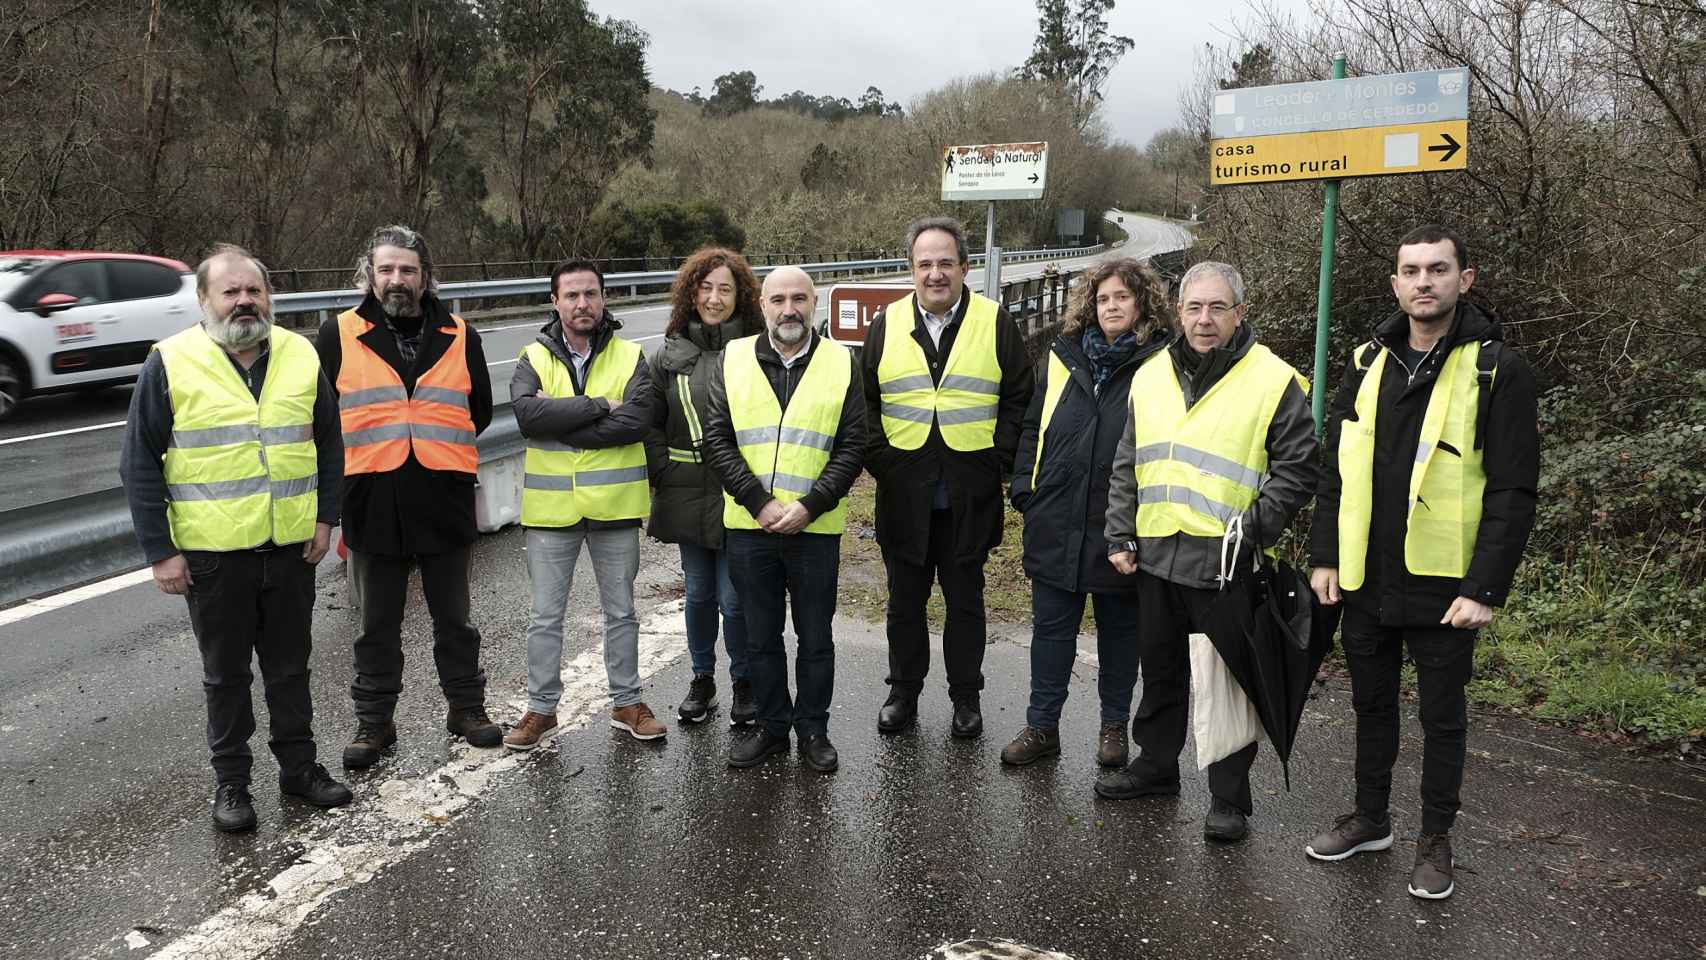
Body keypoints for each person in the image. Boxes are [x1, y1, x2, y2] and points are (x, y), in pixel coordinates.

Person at [1305, 225, 1539, 900]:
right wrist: (1325, 555)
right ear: (1396, 284)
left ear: (1464, 280)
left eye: (1438, 269)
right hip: (1366, 578)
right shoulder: (1367, 362)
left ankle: (1435, 840)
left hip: (1446, 585)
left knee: (1443, 718)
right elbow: (1336, 468)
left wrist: (1485, 586)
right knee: (1371, 705)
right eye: (1411, 270)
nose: (1423, 281)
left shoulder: (1498, 369)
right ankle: (1370, 818)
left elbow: (1512, 490)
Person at [120, 244, 352, 831]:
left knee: (291, 669)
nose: (244, 300)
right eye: (230, 291)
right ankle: (232, 784)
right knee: (225, 677)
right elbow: (140, 463)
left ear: (268, 296)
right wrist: (161, 552)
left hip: (291, 550)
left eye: (254, 290)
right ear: (204, 301)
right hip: (213, 559)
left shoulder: (300, 354)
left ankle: (299, 770)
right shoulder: (169, 362)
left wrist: (326, 519)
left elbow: (329, 443)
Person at [1100, 261, 1317, 843]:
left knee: (1226, 682)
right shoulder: (1149, 376)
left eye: (1217, 308)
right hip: (1156, 550)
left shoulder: (1273, 380)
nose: (1203, 320)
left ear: (1239, 314)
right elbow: (1128, 460)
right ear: (1178, 311)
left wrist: (1253, 529)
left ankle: (1229, 797)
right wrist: (1120, 531)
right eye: (1194, 308)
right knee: (1161, 668)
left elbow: (1298, 469)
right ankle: (1155, 766)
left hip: (1226, 562)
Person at [314, 225, 500, 769]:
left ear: (426, 277)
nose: (398, 279)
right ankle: (374, 723)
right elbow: (322, 420)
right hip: (371, 495)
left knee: (456, 620)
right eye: (387, 269)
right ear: (369, 275)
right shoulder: (336, 334)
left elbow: (479, 410)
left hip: (443, 494)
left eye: (408, 270)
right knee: (376, 623)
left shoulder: (462, 334)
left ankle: (466, 709)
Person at [862, 216, 1034, 738]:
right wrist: (885, 463)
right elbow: (864, 404)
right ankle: (903, 694)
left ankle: (966, 699)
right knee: (904, 603)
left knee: (966, 603)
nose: (935, 274)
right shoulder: (886, 323)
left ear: (964, 266)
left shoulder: (995, 321)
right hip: (903, 493)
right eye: (924, 264)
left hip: (969, 491)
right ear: (911, 270)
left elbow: (1019, 399)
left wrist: (995, 462)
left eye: (945, 263)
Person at [1003, 257, 1171, 769]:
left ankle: (1113, 727)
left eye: (1122, 296)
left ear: (1142, 302)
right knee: (1051, 634)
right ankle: (1041, 727)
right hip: (1056, 513)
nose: (1112, 306)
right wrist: (1025, 491)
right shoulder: (1063, 354)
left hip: (1122, 522)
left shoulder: (1161, 360)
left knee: (1121, 636)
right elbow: (1035, 424)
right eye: (1103, 298)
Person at [702, 267, 864, 771]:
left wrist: (810, 505)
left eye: (799, 298)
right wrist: (758, 501)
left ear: (815, 302)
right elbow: (717, 439)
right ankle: (774, 728)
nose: (788, 309)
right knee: (760, 637)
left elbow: (853, 444)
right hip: (750, 528)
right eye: (778, 299)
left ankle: (813, 730)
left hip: (815, 529)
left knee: (815, 638)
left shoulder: (842, 362)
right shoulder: (733, 358)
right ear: (762, 303)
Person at [504, 259, 661, 748]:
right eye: (571, 295)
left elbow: (636, 421)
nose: (582, 303)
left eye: (590, 294)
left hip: (614, 506)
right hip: (552, 513)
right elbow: (529, 416)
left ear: (604, 298)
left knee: (622, 612)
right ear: (555, 302)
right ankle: (540, 709)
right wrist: (598, 406)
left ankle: (628, 702)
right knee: (545, 616)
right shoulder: (534, 355)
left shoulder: (632, 356)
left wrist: (564, 419)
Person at [645, 248, 760, 726]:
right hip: (686, 489)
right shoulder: (667, 355)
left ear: (741, 297)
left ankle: (744, 681)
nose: (714, 299)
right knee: (697, 593)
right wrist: (664, 473)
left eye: (725, 289)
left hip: (739, 491)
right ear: (691, 293)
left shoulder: (757, 348)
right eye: (705, 288)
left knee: (735, 598)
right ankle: (701, 679)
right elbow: (651, 422)